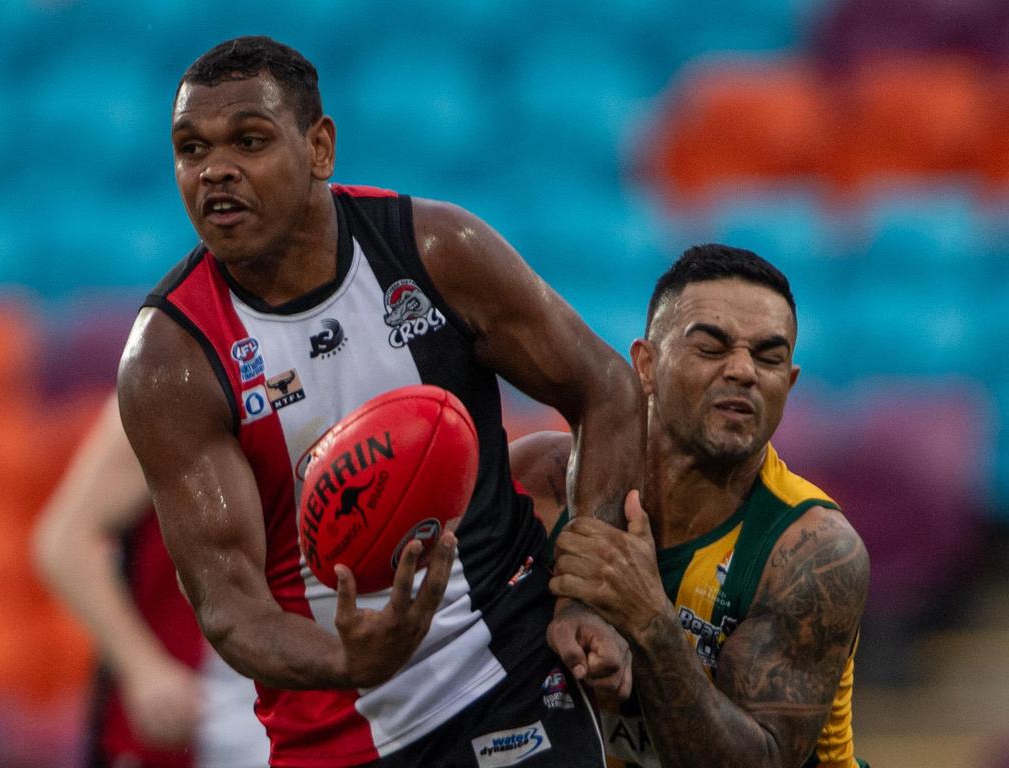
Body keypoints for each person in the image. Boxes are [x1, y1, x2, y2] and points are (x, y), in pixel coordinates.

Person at [116, 35, 644, 768]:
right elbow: (230, 608)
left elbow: (608, 389)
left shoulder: (435, 250)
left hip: (511, 676)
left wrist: (588, 598)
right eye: (190, 149)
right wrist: (349, 660)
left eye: (249, 140)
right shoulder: (170, 360)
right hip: (332, 738)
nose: (216, 172)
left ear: (320, 147)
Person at [511, 244, 871, 768]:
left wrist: (651, 621)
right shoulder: (541, 483)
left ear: (788, 385)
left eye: (769, 358)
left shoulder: (811, 551)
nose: (744, 371)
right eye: (711, 347)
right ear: (645, 366)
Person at [33, 393, 271, 768]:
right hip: (194, 716)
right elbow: (64, 541)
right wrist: (144, 668)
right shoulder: (163, 384)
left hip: (285, 700)